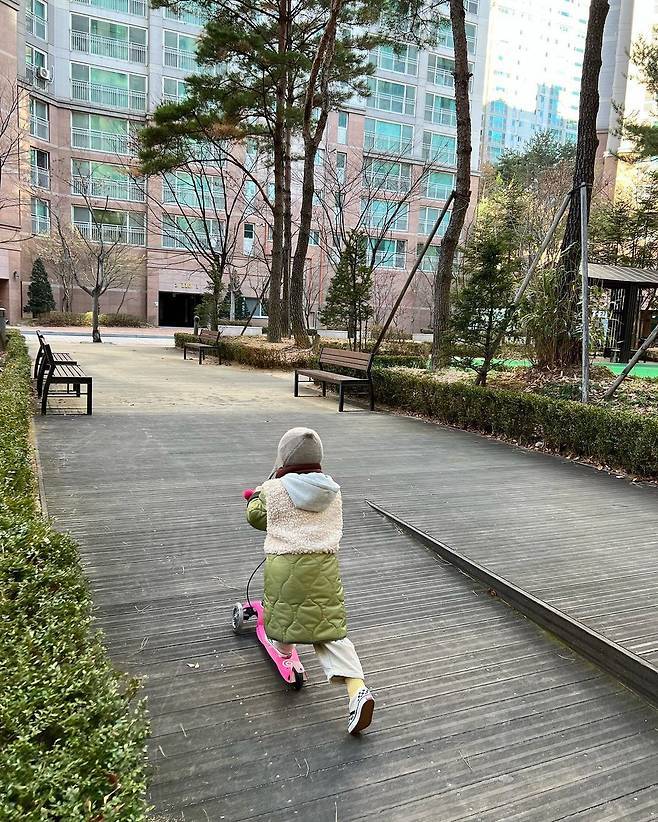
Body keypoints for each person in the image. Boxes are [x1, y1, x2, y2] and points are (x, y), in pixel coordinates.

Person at [245, 427, 374, 734]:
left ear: (283, 458)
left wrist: (256, 495)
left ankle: (284, 652)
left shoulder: (274, 489)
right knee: (329, 631)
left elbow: (256, 517)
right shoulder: (332, 491)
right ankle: (357, 690)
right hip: (324, 567)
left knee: (285, 615)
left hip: (286, 566)